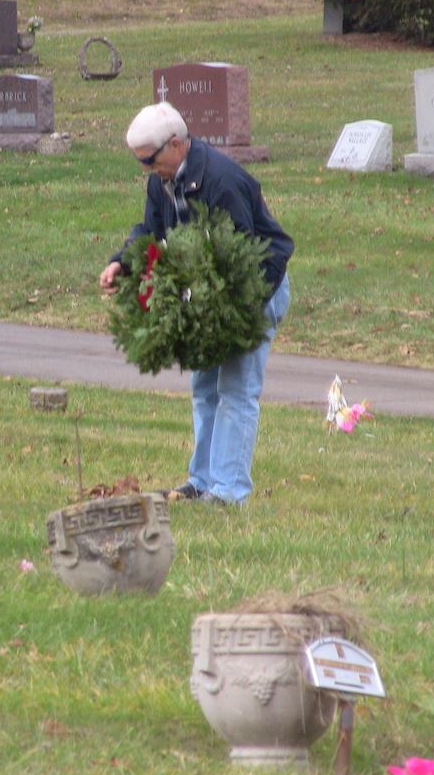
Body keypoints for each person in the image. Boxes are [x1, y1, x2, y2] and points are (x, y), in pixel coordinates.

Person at [99, 101, 293, 507]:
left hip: (253, 292)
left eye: (149, 161)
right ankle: (201, 481)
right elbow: (150, 230)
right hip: (204, 295)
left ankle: (228, 491)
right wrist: (123, 260)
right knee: (204, 388)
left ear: (175, 145)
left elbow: (249, 254)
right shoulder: (162, 181)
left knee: (237, 391)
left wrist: (234, 311)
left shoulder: (222, 181)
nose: (147, 171)